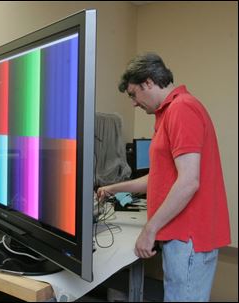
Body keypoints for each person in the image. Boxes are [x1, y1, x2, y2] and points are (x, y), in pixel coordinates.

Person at [97, 53, 231, 302]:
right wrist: (112, 188)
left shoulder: (181, 108)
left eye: (133, 94)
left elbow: (189, 181)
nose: (134, 103)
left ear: (148, 82)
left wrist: (150, 229)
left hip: (189, 237)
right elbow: (157, 178)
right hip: (182, 235)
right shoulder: (168, 113)